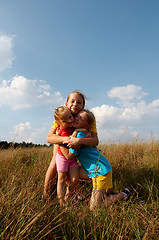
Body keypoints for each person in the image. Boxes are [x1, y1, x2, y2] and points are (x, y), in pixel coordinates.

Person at [60, 109, 132, 210]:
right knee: (69, 172)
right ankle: (81, 195)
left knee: (94, 208)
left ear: (86, 126)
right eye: (77, 116)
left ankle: (124, 194)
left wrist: (59, 143)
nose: (76, 118)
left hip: (100, 171)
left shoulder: (80, 136)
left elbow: (69, 155)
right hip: (96, 168)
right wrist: (76, 131)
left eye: (80, 118)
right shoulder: (80, 133)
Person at [43, 90, 98, 199]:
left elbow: (95, 141)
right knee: (56, 160)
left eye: (79, 102)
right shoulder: (62, 115)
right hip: (63, 140)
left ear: (83, 106)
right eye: (72, 101)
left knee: (73, 164)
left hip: (79, 144)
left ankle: (75, 189)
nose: (75, 104)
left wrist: (79, 140)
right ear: (66, 103)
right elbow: (49, 137)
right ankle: (46, 192)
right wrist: (66, 139)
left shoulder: (87, 118)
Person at [53, 106, 79, 207]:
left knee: (75, 179)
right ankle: (61, 201)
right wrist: (76, 133)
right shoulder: (62, 131)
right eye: (67, 119)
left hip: (72, 159)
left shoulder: (72, 126)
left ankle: (67, 196)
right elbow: (70, 141)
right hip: (63, 157)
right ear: (60, 122)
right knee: (61, 180)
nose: (71, 119)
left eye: (71, 116)